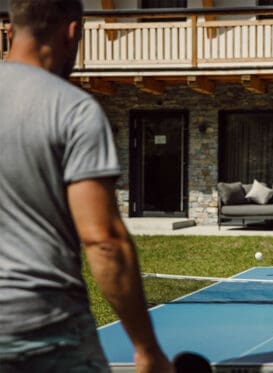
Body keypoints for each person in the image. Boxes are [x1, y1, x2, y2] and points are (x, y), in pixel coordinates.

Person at [0, 1, 173, 372]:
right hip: (43, 326)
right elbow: (104, 241)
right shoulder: (73, 109)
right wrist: (146, 349)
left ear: (9, 32)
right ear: (73, 32)